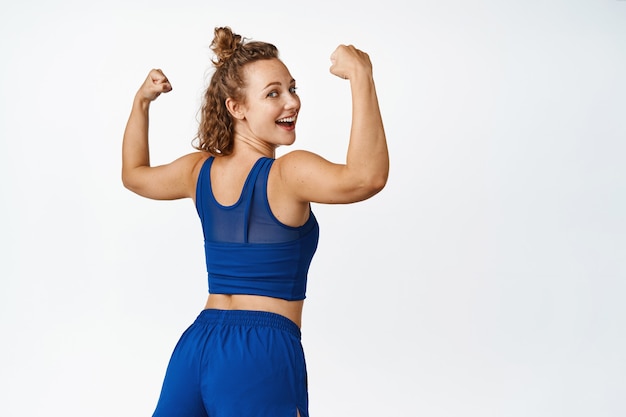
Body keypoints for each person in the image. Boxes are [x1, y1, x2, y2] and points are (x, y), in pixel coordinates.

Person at [122, 26, 388, 417]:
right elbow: (367, 178)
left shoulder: (198, 173)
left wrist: (141, 103)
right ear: (237, 108)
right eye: (273, 94)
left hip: (196, 347)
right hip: (259, 353)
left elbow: (134, 173)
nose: (292, 102)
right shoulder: (288, 174)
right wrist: (362, 77)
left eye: (292, 88)